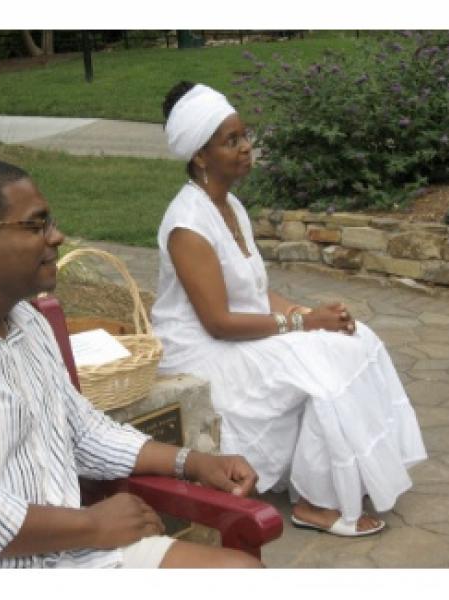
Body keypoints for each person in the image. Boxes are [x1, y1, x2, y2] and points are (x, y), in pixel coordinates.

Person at [0, 158, 264, 568]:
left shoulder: (26, 323)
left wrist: (191, 461)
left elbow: (82, 432)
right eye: (37, 224)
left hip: (58, 559)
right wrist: (91, 525)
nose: (55, 237)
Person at [152, 82, 428, 537]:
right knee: (318, 364)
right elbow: (219, 322)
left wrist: (311, 313)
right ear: (200, 156)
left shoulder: (230, 205)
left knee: (354, 339)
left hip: (237, 331)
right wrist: (301, 324)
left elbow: (255, 292)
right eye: (231, 141)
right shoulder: (187, 224)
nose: (246, 148)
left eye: (245, 136)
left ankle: (348, 473)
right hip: (200, 348)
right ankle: (318, 502)